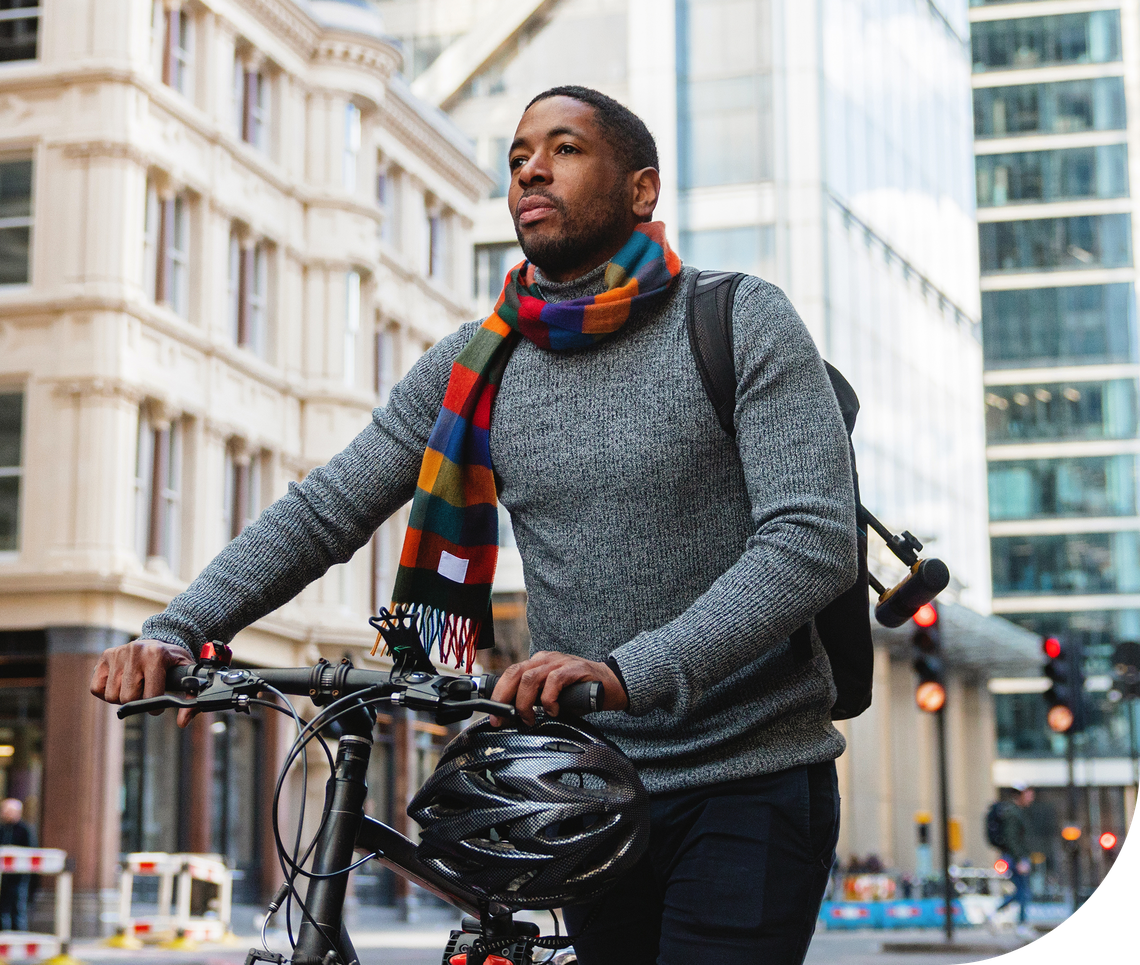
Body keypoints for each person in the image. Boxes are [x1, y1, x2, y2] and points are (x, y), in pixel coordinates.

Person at [91, 85, 856, 964]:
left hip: (748, 778)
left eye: (564, 148)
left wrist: (625, 672)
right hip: (589, 785)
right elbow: (325, 508)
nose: (531, 167)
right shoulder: (476, 362)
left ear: (642, 189)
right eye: (519, 154)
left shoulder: (739, 318)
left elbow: (810, 538)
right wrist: (181, 628)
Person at [994, 784, 1034, 933]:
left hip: (1017, 857)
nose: (1031, 797)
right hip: (1016, 858)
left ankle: (995, 914)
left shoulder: (1016, 812)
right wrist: (1019, 860)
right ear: (1020, 795)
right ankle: (1022, 924)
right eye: (1028, 794)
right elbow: (1011, 839)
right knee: (1024, 891)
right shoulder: (1013, 813)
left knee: (1021, 891)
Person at [0, 798, 37, 932]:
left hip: (18, 878)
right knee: (2, 909)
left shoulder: (25, 830)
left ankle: (19, 936)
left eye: (8, 811)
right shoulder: (2, 828)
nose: (5, 814)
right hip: (3, 878)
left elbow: (31, 852)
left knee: (17, 908)